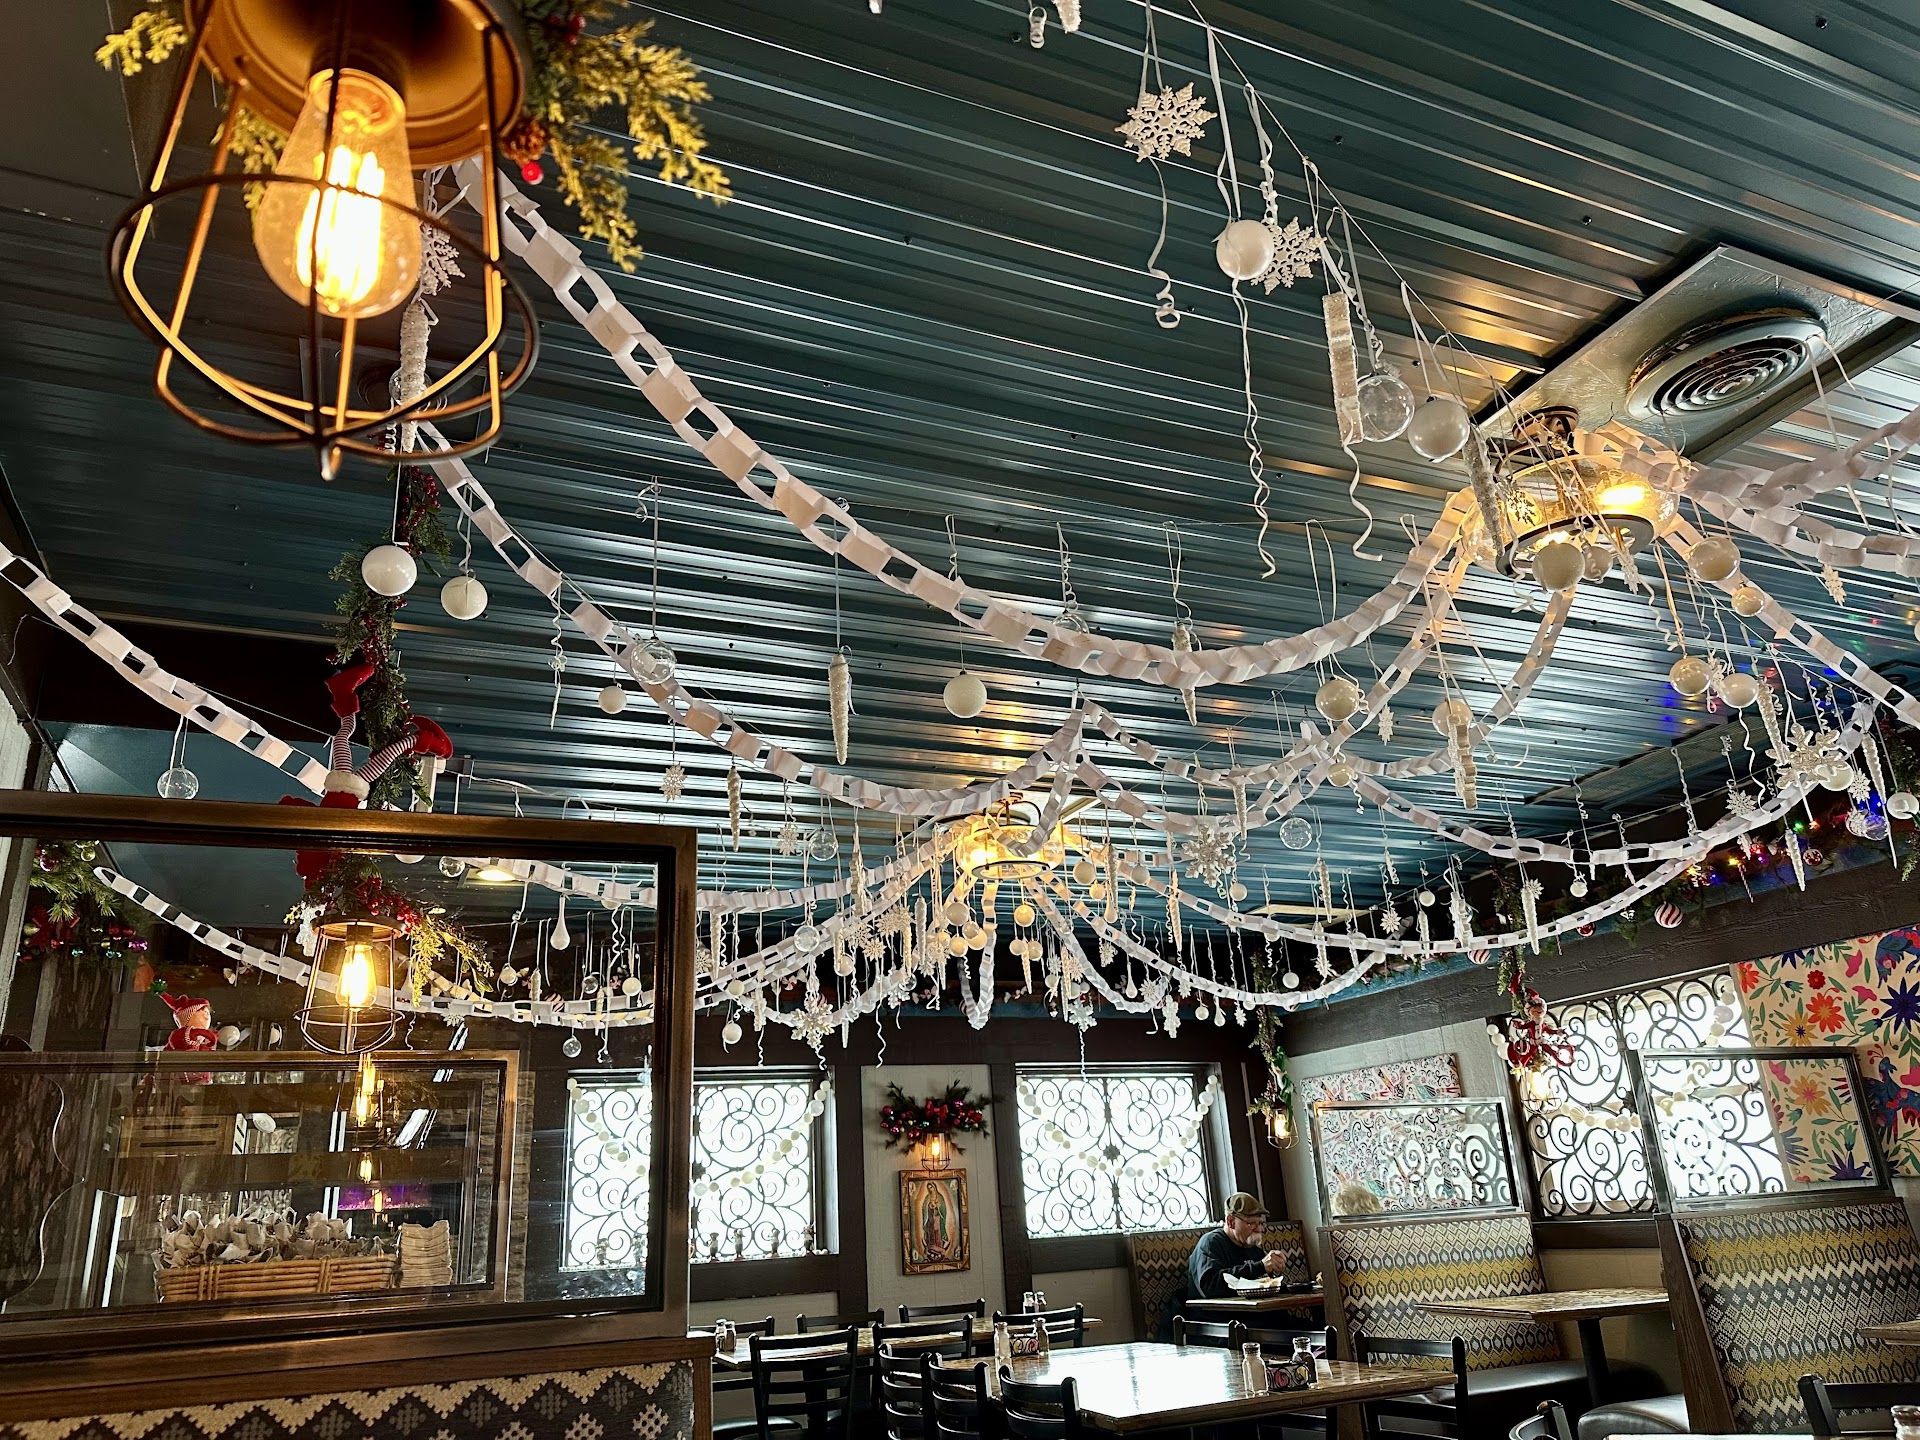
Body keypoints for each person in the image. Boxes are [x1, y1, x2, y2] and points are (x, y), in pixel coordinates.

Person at [1187, 1191, 1290, 1300]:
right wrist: (1261, 1267)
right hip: (1218, 1310)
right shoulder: (1210, 1243)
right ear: (1230, 1221)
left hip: (1254, 1308)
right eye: (1251, 1223)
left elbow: (1264, 1283)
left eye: (1260, 1223)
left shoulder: (1253, 1248)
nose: (1259, 1229)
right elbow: (1209, 1286)